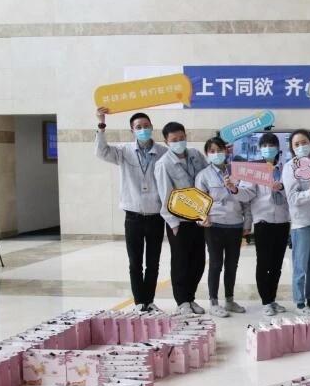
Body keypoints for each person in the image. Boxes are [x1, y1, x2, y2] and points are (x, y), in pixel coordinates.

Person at [94, 107, 167, 313]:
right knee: (135, 263)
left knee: (153, 263)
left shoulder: (162, 152)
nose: (143, 130)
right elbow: (101, 152)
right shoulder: (124, 151)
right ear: (132, 131)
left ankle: (149, 300)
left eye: (146, 126)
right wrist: (101, 124)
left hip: (156, 216)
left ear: (152, 127)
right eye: (138, 127)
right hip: (133, 216)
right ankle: (139, 302)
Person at [154, 122, 209, 315]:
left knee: (198, 261)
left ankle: (191, 298)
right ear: (166, 142)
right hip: (179, 221)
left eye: (181, 138)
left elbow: (208, 175)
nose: (179, 142)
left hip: (199, 218)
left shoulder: (195, 155)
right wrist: (173, 223)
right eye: (174, 140)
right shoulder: (163, 164)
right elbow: (165, 195)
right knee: (181, 262)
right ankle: (182, 301)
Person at [195, 137, 251, 318]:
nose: (216, 154)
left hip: (235, 225)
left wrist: (247, 224)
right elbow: (199, 204)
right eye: (212, 151)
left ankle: (229, 300)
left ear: (226, 151)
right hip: (214, 226)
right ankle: (213, 303)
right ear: (207, 154)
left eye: (219, 150)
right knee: (216, 264)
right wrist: (202, 219)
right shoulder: (203, 175)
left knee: (232, 265)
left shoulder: (238, 172)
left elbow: (246, 201)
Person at [240, 133, 290, 317]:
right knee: (263, 263)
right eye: (265, 146)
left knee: (277, 265)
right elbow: (246, 194)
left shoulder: (285, 169)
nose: (268, 149)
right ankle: (266, 301)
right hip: (263, 221)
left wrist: (282, 188)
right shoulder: (255, 171)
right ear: (260, 149)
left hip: (282, 221)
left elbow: (292, 193)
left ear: (278, 148)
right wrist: (235, 189)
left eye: (272, 145)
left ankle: (273, 299)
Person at [282, 129, 310, 316]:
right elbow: (292, 198)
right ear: (292, 148)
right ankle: (299, 303)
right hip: (301, 224)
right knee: (300, 266)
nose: (301, 146)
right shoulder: (290, 167)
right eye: (297, 144)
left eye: (304, 142)